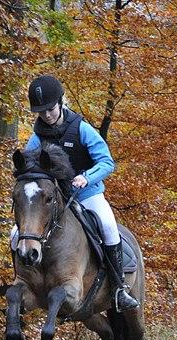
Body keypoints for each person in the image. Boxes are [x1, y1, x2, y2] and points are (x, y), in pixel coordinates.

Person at [24, 74, 139, 312]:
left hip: (88, 195)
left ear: (61, 102)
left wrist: (86, 178)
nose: (46, 115)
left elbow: (107, 162)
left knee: (108, 226)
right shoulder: (36, 138)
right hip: (53, 201)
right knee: (18, 233)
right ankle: (26, 280)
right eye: (41, 111)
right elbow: (28, 169)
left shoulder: (81, 129)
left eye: (50, 109)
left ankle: (119, 289)